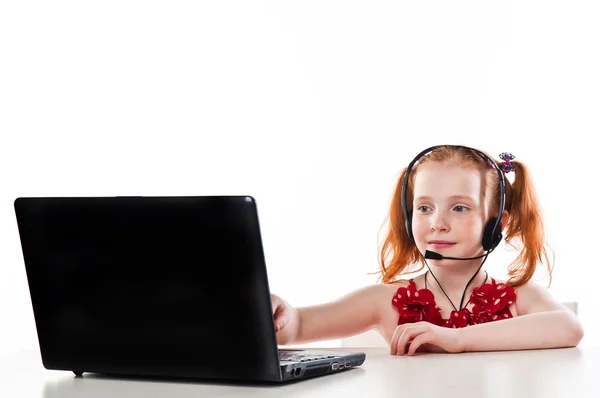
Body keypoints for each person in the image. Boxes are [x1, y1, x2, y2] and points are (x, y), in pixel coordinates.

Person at [272, 144, 584, 356]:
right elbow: (297, 327)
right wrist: (279, 312)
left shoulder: (519, 297)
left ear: (495, 223)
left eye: (459, 208)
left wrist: (457, 339)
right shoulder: (383, 302)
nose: (437, 223)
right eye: (424, 208)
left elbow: (569, 328)